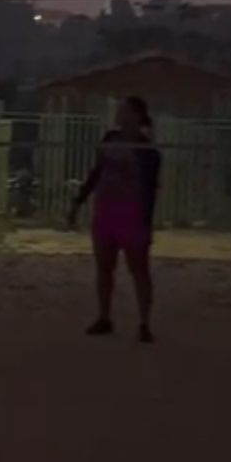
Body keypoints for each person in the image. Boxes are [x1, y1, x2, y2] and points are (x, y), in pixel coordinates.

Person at [68, 94, 161, 343]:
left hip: (131, 212)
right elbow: (96, 172)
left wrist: (146, 221)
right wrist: (79, 201)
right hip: (106, 209)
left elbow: (151, 188)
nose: (119, 114)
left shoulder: (147, 150)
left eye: (124, 110)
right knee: (104, 267)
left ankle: (144, 322)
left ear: (136, 115)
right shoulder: (110, 139)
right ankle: (104, 316)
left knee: (139, 269)